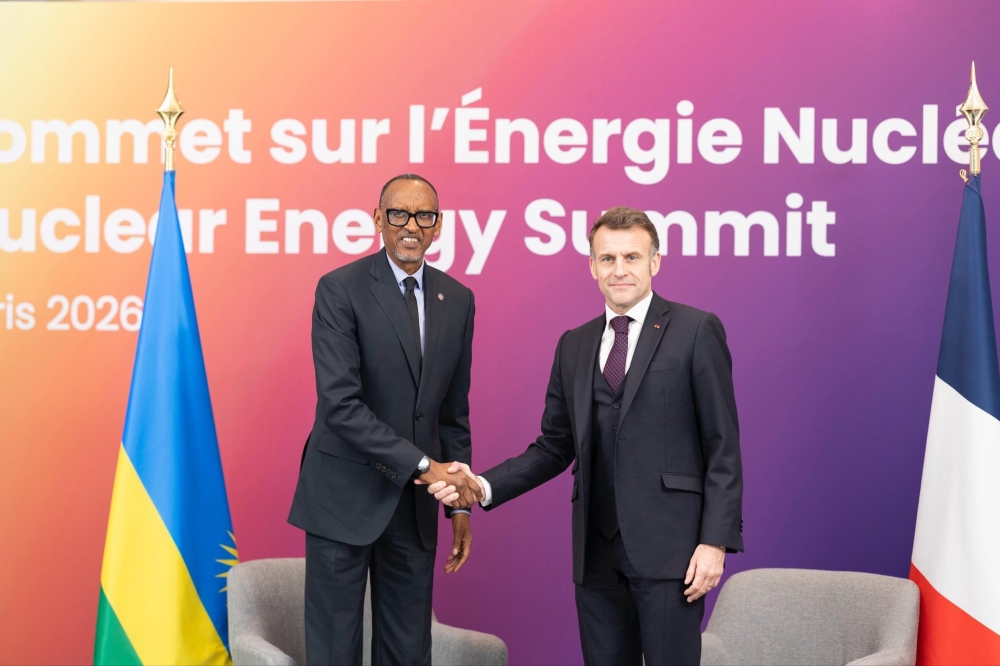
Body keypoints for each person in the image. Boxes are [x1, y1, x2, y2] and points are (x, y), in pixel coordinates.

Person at [428, 207, 744, 666]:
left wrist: (714, 543)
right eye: (608, 258)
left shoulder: (696, 330)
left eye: (632, 257)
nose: (620, 270)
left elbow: (722, 446)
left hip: (672, 554)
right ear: (593, 266)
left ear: (655, 262)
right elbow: (554, 446)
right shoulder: (573, 344)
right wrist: (481, 485)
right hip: (595, 556)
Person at [288, 174, 484, 666]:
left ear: (438, 225)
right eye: (399, 214)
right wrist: (425, 467)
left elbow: (452, 414)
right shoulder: (340, 289)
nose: (411, 226)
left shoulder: (458, 299)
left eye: (424, 216)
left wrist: (459, 505)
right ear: (379, 219)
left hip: (414, 509)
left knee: (408, 654)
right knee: (334, 653)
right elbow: (341, 406)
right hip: (342, 499)